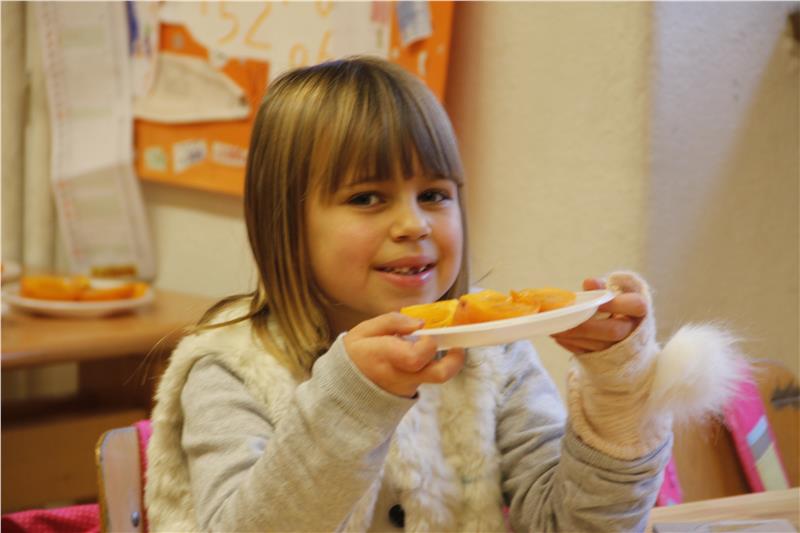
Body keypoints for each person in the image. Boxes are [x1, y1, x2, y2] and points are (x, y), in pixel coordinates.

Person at [145, 57, 742, 532]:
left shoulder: (493, 355)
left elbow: (573, 526)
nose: (414, 224)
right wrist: (352, 399)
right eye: (366, 198)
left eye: (433, 194)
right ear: (285, 226)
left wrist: (618, 394)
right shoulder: (231, 368)